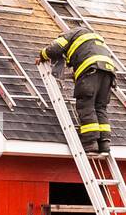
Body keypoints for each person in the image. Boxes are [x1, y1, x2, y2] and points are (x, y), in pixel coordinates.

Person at [38, 25, 117, 154]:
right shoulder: (92, 37)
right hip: (108, 73)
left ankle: (90, 142)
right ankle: (104, 143)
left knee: (86, 105)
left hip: (90, 70)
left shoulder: (70, 35)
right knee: (100, 107)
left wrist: (42, 55)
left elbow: (55, 48)